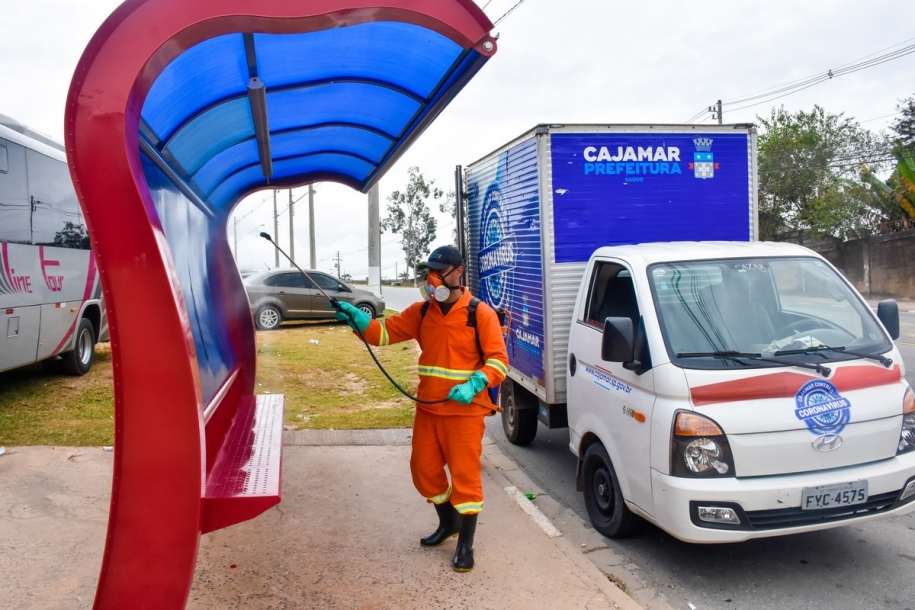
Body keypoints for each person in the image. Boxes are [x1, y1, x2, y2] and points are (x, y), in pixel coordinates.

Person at [334, 245, 508, 572]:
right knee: (423, 472)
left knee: (465, 478)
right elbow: (383, 333)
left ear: (458, 272)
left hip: (464, 413)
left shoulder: (479, 313)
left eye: (438, 272)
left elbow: (499, 361)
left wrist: (474, 384)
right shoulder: (423, 311)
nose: (431, 279)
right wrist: (359, 319)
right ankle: (449, 522)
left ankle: (466, 545)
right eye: (429, 271)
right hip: (429, 409)